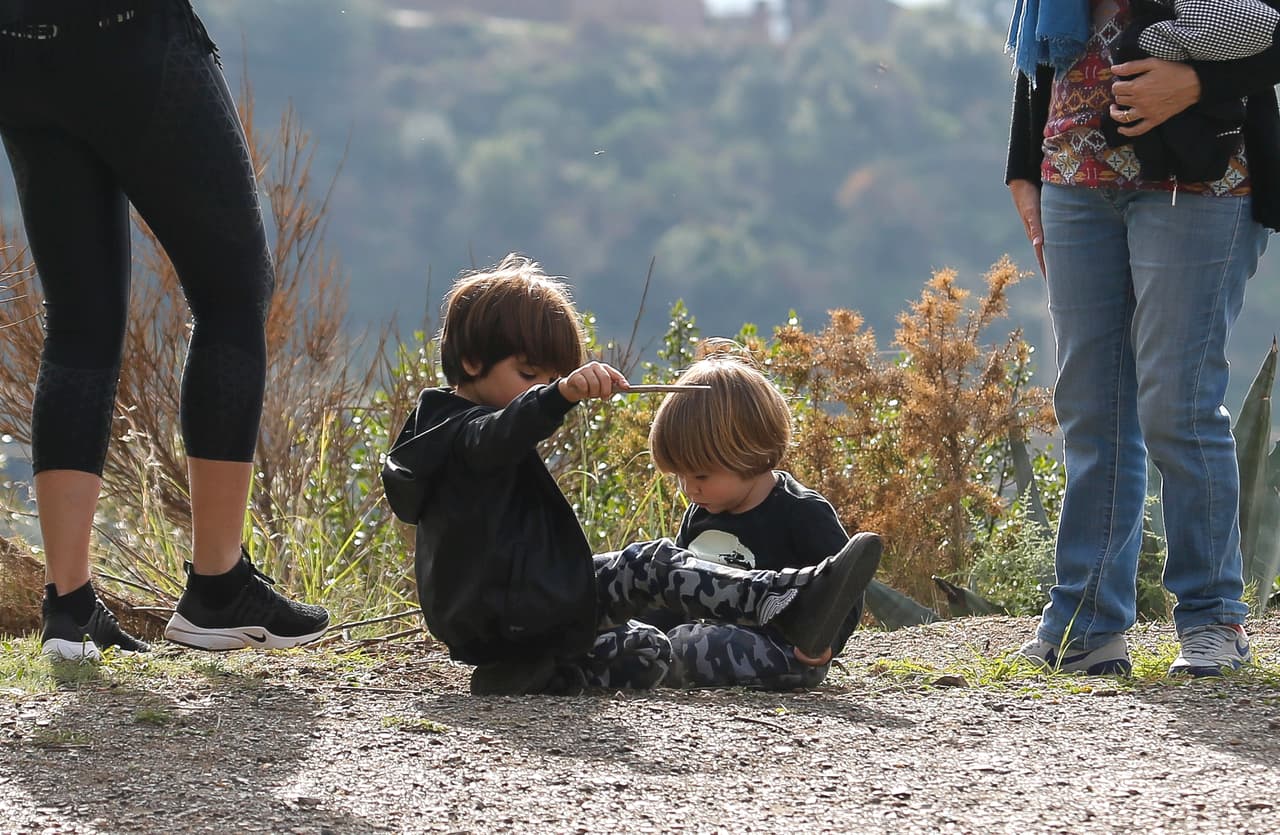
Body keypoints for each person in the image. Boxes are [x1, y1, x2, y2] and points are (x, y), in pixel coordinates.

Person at [381, 254, 881, 695]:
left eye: (552, 378)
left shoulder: (452, 436)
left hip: (517, 614)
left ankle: (538, 673)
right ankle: (786, 601)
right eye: (530, 375)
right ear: (471, 361)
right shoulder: (461, 436)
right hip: (516, 610)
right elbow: (497, 435)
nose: (542, 389)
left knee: (647, 633)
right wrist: (558, 397)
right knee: (656, 572)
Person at [0, 0, 329, 659]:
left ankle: (69, 606)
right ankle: (217, 587)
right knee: (234, 290)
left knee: (79, 318)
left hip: (16, 47)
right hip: (127, 33)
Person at [1005, 0, 1280, 676]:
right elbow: (1039, 35)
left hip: (1205, 175)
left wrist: (1198, 81)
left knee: (1177, 406)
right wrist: (1023, 164)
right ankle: (1086, 622)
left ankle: (1214, 618)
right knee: (1093, 409)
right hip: (1073, 167)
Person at [643, 350, 878, 690]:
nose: (688, 489)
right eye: (678, 476)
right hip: (700, 637)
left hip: (780, 649)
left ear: (750, 454)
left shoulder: (801, 512)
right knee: (646, 635)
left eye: (701, 476)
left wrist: (824, 643)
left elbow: (842, 590)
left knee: (689, 645)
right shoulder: (701, 512)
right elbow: (677, 587)